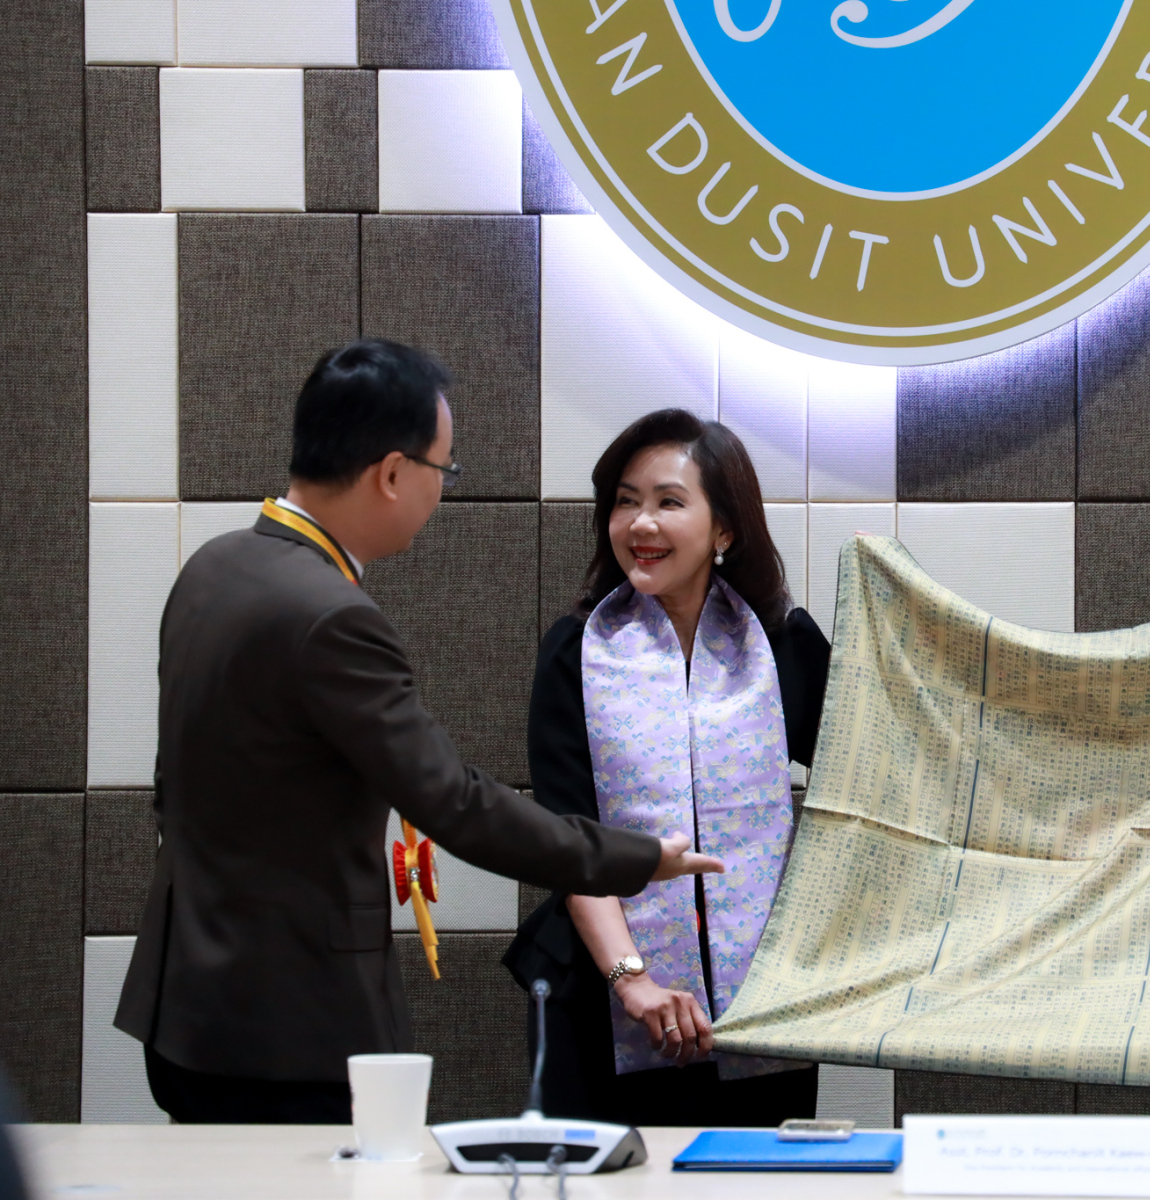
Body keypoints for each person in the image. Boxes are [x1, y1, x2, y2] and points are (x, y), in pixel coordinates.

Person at [115, 340, 723, 1125]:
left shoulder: (215, 567)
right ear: (393, 473)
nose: (441, 491)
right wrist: (638, 858)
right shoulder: (331, 615)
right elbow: (455, 803)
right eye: (444, 469)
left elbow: (176, 786)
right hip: (285, 1023)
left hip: (185, 1001)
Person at [504, 409, 831, 1127]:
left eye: (668, 502)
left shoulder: (782, 645)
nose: (641, 523)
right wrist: (633, 979)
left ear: (725, 530)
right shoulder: (575, 650)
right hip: (603, 994)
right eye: (626, 501)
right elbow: (569, 840)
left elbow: (868, 783)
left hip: (760, 1005)